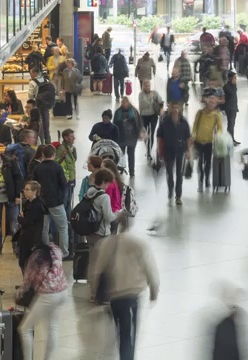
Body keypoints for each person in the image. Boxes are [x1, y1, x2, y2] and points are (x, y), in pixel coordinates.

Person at [94, 230, 159, 360]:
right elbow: (151, 269)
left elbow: (98, 270)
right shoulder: (139, 244)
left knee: (121, 333)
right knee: (128, 336)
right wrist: (154, 292)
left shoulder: (106, 244)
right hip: (131, 296)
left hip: (114, 297)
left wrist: (96, 292)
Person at [16, 242, 68, 360]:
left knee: (24, 329)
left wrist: (19, 293)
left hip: (48, 294)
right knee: (53, 328)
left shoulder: (37, 255)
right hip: (62, 291)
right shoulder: (56, 248)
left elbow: (28, 280)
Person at [84, 169, 124, 302]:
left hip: (90, 232)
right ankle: (100, 294)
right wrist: (117, 214)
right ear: (105, 182)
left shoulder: (89, 193)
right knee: (103, 265)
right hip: (101, 233)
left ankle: (92, 293)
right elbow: (109, 217)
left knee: (92, 262)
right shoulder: (104, 197)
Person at [32, 145, 71, 259]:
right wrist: (63, 200)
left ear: (43, 155)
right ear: (54, 154)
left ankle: (46, 251)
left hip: (42, 202)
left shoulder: (37, 168)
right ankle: (64, 252)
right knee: (63, 227)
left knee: (44, 228)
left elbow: (33, 184)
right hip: (56, 202)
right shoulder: (58, 168)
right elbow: (64, 185)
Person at [157, 102, 191, 205]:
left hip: (180, 150)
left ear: (180, 109)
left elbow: (188, 137)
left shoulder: (184, 122)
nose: (175, 110)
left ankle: (178, 196)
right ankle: (170, 188)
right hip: (168, 150)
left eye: (177, 107)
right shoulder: (164, 122)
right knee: (169, 172)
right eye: (173, 107)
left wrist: (188, 150)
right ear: (170, 108)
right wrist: (159, 150)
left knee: (179, 173)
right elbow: (159, 136)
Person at [192, 89, 223, 193]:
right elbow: (195, 126)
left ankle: (207, 179)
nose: (211, 104)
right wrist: (193, 136)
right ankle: (200, 181)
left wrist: (218, 136)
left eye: (214, 103)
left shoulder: (216, 115)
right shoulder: (200, 113)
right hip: (198, 141)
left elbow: (220, 128)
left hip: (209, 142)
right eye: (210, 102)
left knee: (208, 163)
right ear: (207, 102)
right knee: (200, 163)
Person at [17, 180, 47, 271]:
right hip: (26, 236)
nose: (24, 192)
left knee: (27, 262)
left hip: (32, 237)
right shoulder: (28, 203)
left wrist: (20, 218)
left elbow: (26, 221)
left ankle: (30, 283)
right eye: (24, 189)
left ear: (34, 191)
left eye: (27, 189)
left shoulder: (37, 205)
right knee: (22, 261)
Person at [55, 129, 76, 241]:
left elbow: (73, 161)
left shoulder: (72, 148)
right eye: (71, 136)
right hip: (66, 180)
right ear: (65, 137)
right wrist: (62, 157)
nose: (74, 138)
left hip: (72, 179)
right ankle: (64, 222)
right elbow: (57, 163)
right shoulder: (61, 149)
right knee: (65, 201)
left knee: (69, 202)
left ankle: (68, 220)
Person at [113, 97, 142, 176]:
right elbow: (114, 124)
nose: (124, 104)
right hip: (121, 137)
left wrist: (139, 132)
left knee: (131, 154)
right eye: (123, 103)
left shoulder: (134, 111)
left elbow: (139, 122)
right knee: (121, 154)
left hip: (132, 137)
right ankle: (121, 169)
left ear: (128, 103)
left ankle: (132, 171)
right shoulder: (118, 112)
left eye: (126, 103)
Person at [138, 80, 164, 160]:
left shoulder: (154, 93)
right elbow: (143, 104)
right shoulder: (141, 95)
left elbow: (160, 101)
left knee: (151, 133)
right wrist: (150, 98)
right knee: (146, 134)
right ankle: (147, 147)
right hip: (144, 116)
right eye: (146, 86)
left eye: (148, 85)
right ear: (143, 86)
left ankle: (149, 151)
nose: (147, 87)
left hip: (153, 115)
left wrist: (161, 109)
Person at [27, 66, 52, 143]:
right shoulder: (46, 80)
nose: (30, 75)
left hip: (37, 107)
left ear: (35, 73)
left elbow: (30, 95)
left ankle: (40, 142)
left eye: (31, 73)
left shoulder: (32, 82)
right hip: (45, 107)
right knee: (46, 124)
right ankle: (48, 141)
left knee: (37, 125)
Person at [222, 72, 239, 145]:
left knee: (232, 124)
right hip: (229, 108)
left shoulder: (234, 86)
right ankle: (229, 140)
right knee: (230, 125)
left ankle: (232, 138)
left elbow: (234, 97)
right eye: (234, 78)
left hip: (233, 107)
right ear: (230, 78)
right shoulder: (226, 87)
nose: (236, 79)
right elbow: (226, 98)